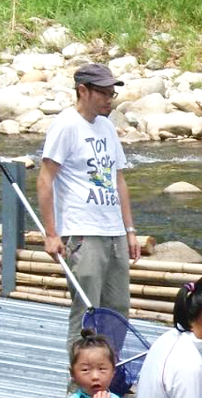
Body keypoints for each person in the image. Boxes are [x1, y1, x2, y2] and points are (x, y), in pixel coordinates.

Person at [37, 63, 140, 348]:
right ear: (83, 90)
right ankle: (79, 385)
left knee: (118, 309)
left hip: (114, 231)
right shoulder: (66, 125)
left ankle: (111, 376)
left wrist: (129, 229)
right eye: (104, 93)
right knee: (87, 312)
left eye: (112, 93)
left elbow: (118, 180)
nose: (109, 99)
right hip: (82, 231)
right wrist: (51, 233)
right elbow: (45, 180)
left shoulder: (107, 127)